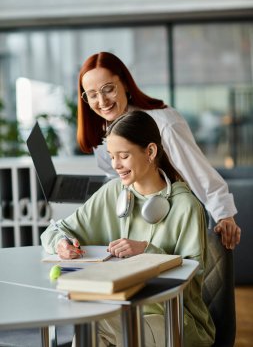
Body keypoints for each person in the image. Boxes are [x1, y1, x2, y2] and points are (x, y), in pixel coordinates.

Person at [41, 110, 215, 347]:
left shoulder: (187, 206)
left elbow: (191, 280)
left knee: (94, 324)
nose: (115, 165)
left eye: (123, 156)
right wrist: (62, 242)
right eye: (112, 156)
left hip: (174, 319)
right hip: (124, 309)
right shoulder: (113, 192)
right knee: (91, 326)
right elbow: (54, 230)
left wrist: (147, 251)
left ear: (150, 152)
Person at [76, 51, 241, 250]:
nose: (102, 101)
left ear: (125, 84)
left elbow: (200, 173)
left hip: (172, 219)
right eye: (92, 95)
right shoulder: (103, 128)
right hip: (134, 220)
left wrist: (225, 216)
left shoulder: (164, 124)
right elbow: (116, 176)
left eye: (108, 89)